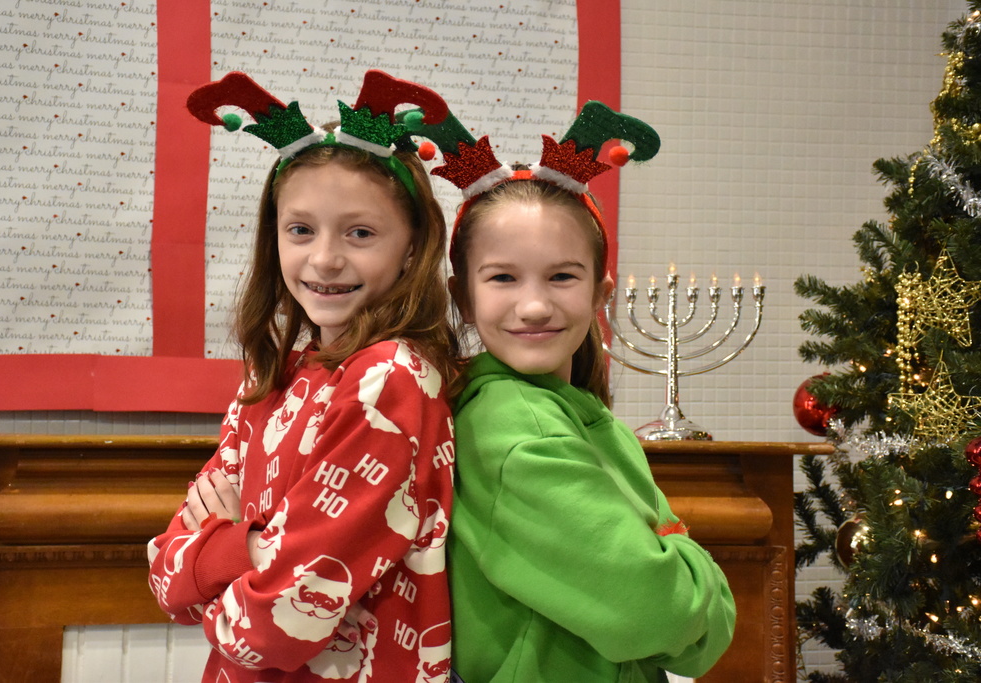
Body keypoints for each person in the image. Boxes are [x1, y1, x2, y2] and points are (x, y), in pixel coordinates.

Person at [147, 70, 458, 683]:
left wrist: (223, 542)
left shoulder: (389, 380)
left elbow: (269, 630)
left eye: (360, 233)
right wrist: (252, 551)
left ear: (414, 248)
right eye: (301, 230)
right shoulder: (269, 378)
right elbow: (161, 572)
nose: (324, 258)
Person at [410, 101, 736, 681]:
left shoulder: (575, 413)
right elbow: (662, 615)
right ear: (463, 297)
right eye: (503, 277)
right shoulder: (516, 430)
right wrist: (684, 557)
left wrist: (670, 554)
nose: (534, 305)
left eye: (562, 275)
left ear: (599, 291)